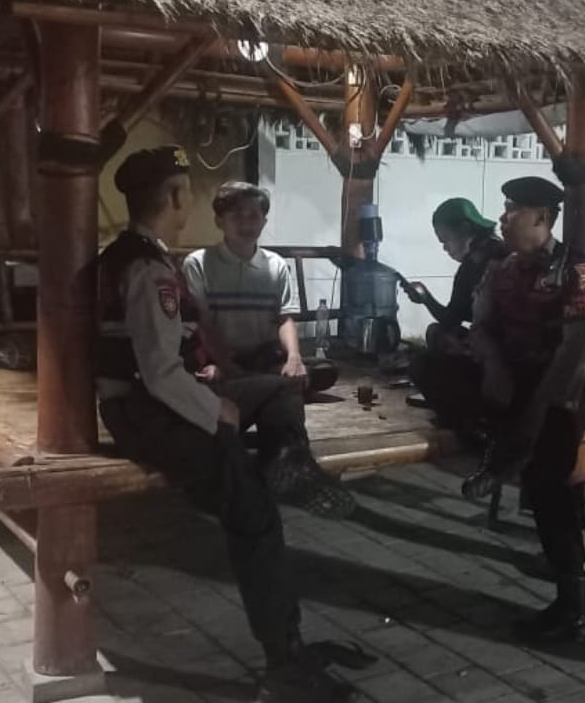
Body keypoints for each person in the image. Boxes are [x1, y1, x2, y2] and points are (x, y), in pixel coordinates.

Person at [95, 146, 358, 703]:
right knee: (256, 520)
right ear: (173, 197)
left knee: (280, 388)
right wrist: (217, 409)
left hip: (158, 401)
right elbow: (159, 373)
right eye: (185, 190)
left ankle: (288, 463)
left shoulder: (137, 256)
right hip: (149, 413)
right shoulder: (147, 267)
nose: (187, 200)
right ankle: (284, 662)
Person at [460, 176, 585, 642]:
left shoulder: (579, 271)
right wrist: (494, 364)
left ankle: (575, 609)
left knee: (550, 489)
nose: (503, 219)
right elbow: (480, 326)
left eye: (513, 211)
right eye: (505, 209)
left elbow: (579, 346)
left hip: (561, 389)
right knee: (432, 362)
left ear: (542, 218)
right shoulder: (501, 269)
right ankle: (503, 450)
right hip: (514, 379)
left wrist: (539, 407)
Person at [182, 182, 337, 393]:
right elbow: (203, 324)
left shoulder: (276, 265)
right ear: (219, 221)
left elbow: (285, 319)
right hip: (217, 356)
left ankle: (255, 384)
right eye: (236, 215)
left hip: (263, 357)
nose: (246, 223)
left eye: (254, 216)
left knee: (325, 370)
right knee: (204, 376)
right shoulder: (198, 263)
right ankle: (258, 385)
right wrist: (225, 364)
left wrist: (294, 357)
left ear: (264, 222)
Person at [405, 198, 508, 443]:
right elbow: (452, 319)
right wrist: (426, 298)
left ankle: (465, 422)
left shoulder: (483, 262)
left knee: (422, 362)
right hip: (491, 347)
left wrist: (426, 298)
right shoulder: (487, 256)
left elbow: (452, 320)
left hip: (500, 358)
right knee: (435, 333)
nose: (445, 249)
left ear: (464, 229)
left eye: (445, 241)